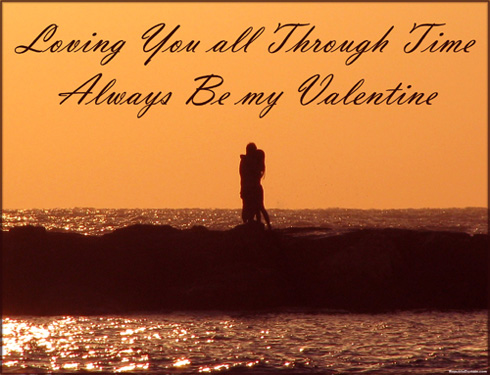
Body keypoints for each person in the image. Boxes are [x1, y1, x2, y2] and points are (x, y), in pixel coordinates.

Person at [239, 143, 271, 229]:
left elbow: (246, 175)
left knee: (256, 207)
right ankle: (265, 226)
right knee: (257, 208)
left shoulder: (253, 162)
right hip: (252, 188)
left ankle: (263, 226)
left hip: (251, 188)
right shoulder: (253, 162)